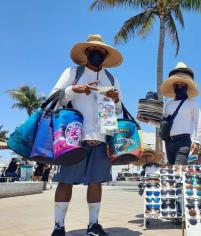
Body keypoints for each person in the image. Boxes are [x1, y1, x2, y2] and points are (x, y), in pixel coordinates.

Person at [50, 34, 123, 236]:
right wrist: (74, 89)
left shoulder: (111, 78)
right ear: (86, 52)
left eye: (101, 52)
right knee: (65, 181)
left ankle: (93, 225)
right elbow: (54, 98)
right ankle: (59, 226)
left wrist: (116, 99)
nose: (97, 54)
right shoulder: (73, 72)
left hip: (101, 136)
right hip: (73, 137)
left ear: (106, 55)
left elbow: (117, 110)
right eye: (93, 51)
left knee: (96, 181)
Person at [160, 62, 201, 165]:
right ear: (173, 86)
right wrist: (147, 120)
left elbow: (199, 122)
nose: (179, 87)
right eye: (176, 85)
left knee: (179, 170)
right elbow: (163, 124)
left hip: (183, 141)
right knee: (172, 172)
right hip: (168, 142)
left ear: (187, 86)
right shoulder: (168, 104)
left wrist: (197, 141)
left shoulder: (192, 103)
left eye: (182, 84)